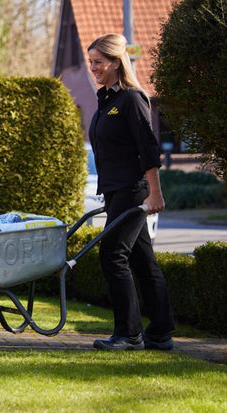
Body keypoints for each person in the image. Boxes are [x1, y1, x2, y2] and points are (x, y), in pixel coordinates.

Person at [87, 33, 175, 351]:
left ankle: (129, 334)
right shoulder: (106, 99)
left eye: (98, 62)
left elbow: (147, 149)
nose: (93, 67)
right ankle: (161, 332)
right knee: (142, 259)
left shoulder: (132, 98)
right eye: (91, 62)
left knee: (113, 254)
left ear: (115, 62)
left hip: (132, 189)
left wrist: (155, 194)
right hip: (114, 190)